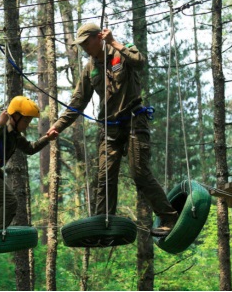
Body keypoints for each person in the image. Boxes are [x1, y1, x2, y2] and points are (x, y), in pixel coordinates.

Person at [46, 23, 178, 237]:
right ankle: (103, 223)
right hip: (109, 128)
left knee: (140, 172)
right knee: (105, 176)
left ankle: (169, 217)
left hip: (134, 120)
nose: (84, 48)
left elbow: (140, 62)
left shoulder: (121, 49)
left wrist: (114, 42)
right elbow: (78, 102)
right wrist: (57, 126)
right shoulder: (90, 68)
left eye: (86, 43)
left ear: (98, 37)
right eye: (80, 45)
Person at [0, 96, 57, 232]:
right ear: (15, 117)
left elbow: (30, 148)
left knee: (4, 207)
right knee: (10, 202)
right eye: (26, 120)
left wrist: (48, 138)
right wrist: (0, 124)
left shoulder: (15, 136)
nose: (28, 124)